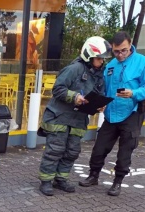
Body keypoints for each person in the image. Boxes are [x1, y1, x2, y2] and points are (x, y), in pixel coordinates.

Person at [37, 36, 112, 196]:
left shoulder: (99, 75)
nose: (102, 62)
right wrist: (74, 96)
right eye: (99, 58)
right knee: (55, 150)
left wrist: (99, 104)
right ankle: (46, 181)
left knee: (72, 152)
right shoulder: (74, 69)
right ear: (89, 55)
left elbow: (99, 93)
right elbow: (57, 89)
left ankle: (60, 179)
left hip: (78, 120)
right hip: (60, 118)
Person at [79, 31, 145, 196]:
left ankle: (117, 182)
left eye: (123, 50)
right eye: (116, 51)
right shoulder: (110, 65)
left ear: (130, 45)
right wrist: (100, 103)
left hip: (132, 113)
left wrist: (133, 93)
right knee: (99, 147)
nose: (120, 54)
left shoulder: (142, 62)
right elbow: (103, 88)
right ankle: (93, 175)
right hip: (111, 113)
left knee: (125, 151)